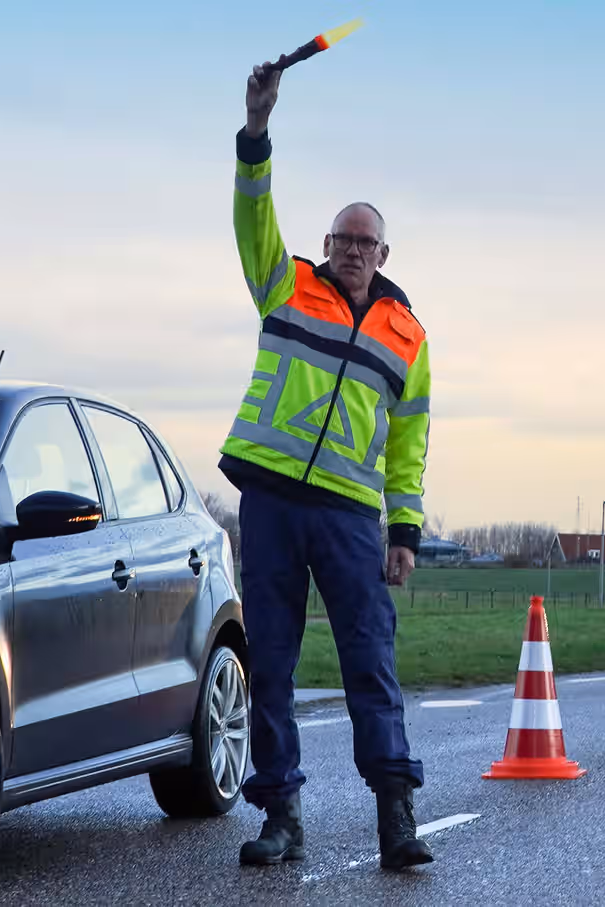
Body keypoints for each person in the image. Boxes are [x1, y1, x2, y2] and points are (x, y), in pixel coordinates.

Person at [222, 59, 435, 871]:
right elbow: (252, 215)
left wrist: (405, 529)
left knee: (370, 667)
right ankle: (281, 818)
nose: (352, 251)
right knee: (268, 663)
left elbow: (410, 442)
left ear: (384, 252)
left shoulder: (409, 337)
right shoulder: (284, 285)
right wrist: (256, 131)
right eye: (341, 239)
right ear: (325, 245)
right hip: (272, 507)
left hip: (352, 518)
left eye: (365, 242)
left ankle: (397, 818)